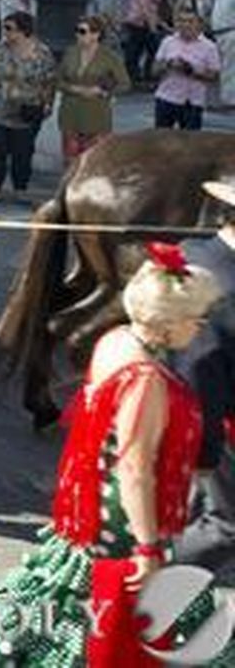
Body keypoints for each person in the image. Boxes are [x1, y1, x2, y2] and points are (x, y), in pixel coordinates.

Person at [0, 245, 222, 664]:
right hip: (122, 523)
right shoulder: (146, 382)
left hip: (92, 508)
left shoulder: (115, 340)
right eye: (198, 319)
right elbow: (136, 469)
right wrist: (147, 547)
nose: (201, 327)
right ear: (170, 325)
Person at [175, 180, 235, 572]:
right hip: (218, 428)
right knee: (225, 527)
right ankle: (140, 585)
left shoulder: (202, 253)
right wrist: (206, 456)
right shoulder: (220, 284)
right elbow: (199, 374)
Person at [0, 12, 56, 202]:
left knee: (22, 154)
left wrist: (48, 104)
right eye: (4, 28)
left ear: (23, 31)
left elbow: (49, 82)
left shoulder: (42, 55)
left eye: (9, 28)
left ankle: (20, 188)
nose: (5, 33)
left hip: (25, 114)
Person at [54, 15, 131, 164]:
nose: (78, 35)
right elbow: (58, 80)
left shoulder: (109, 57)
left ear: (96, 34)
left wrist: (102, 92)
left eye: (82, 31)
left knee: (94, 164)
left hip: (96, 116)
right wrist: (73, 88)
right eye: (76, 31)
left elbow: (124, 84)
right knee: (71, 162)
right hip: (70, 114)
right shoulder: (71, 52)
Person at [153, 9, 221, 131]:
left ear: (199, 24)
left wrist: (190, 71)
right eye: (181, 21)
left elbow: (214, 76)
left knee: (191, 146)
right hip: (166, 98)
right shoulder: (168, 42)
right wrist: (169, 64)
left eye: (190, 21)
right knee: (161, 143)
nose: (185, 25)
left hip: (192, 102)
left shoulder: (209, 47)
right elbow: (154, 70)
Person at [123, 0, 169, 88]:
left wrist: (160, 22)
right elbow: (144, 7)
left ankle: (141, 76)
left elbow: (154, 7)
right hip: (140, 22)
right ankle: (140, 76)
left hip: (147, 22)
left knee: (140, 50)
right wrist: (152, 26)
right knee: (143, 50)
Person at [212, 0, 235, 108]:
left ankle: (230, 101)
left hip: (231, 33)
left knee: (230, 68)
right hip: (219, 34)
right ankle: (223, 99)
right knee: (221, 67)